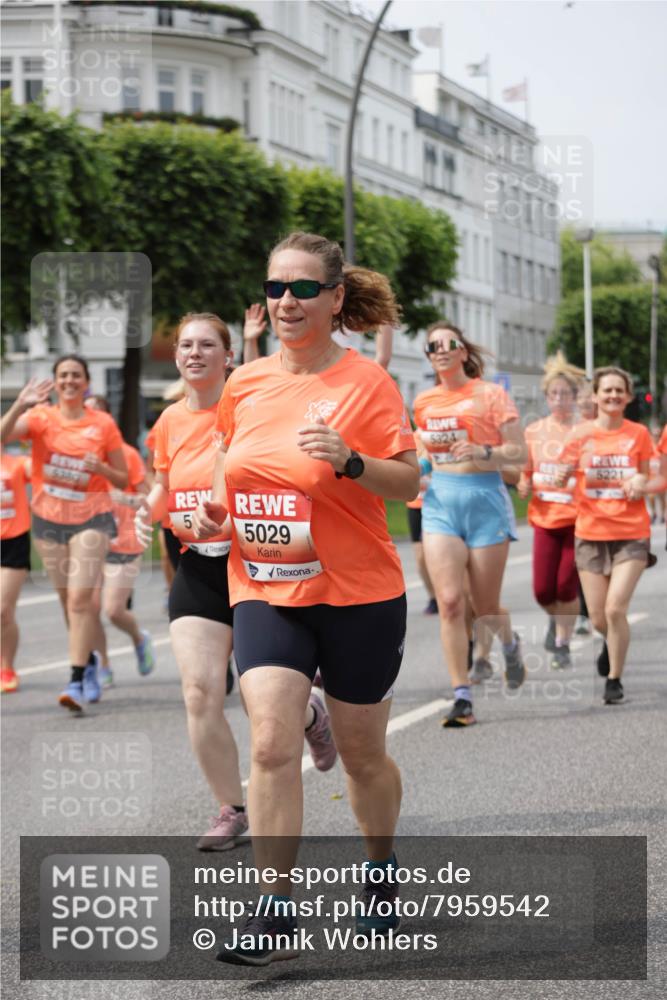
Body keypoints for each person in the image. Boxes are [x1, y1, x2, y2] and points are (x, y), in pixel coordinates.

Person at [192, 231, 418, 965]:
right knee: (269, 740)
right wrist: (216, 515)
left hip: (358, 594)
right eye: (273, 289)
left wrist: (350, 462)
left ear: (334, 298)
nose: (284, 302)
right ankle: (275, 909)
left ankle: (379, 869)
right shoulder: (247, 382)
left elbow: (408, 482)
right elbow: (230, 459)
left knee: (361, 757)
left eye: (300, 289)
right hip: (264, 587)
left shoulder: (365, 384)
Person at [135, 310, 338, 853]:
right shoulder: (169, 422)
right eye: (185, 345)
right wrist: (141, 510)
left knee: (260, 701)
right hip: (199, 568)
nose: (193, 353)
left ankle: (312, 716)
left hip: (256, 562)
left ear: (229, 356)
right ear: (176, 357)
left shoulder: (252, 406)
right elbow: (162, 485)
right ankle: (232, 809)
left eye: (207, 345)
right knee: (199, 691)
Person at [413, 322, 527, 728]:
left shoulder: (491, 394)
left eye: (449, 344)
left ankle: (509, 645)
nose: (441, 350)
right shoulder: (424, 401)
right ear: (428, 355)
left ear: (463, 351)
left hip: (485, 502)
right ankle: (462, 695)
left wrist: (483, 450)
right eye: (433, 346)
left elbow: (519, 453)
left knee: (485, 607)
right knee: (450, 602)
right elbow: (423, 447)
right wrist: (421, 466)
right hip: (441, 502)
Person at [0, 358, 127, 710]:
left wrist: (100, 467)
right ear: (55, 383)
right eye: (63, 375)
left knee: (79, 600)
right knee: (66, 602)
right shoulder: (40, 418)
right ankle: (87, 665)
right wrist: (19, 405)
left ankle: (74, 681)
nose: (69, 380)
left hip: (93, 519)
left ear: (86, 382)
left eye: (76, 375)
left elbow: (121, 477)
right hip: (49, 522)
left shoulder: (102, 423)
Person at [556, 367, 662, 704]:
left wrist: (640, 483)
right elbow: (561, 474)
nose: (613, 396)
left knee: (616, 609)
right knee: (599, 616)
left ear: (628, 397)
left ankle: (614, 679)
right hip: (590, 532)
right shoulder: (580, 435)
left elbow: (654, 478)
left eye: (620, 391)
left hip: (631, 533)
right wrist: (559, 475)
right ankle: (611, 642)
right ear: (596, 396)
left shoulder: (640, 434)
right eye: (607, 391)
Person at [518, 354, 586, 670]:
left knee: (565, 586)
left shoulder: (586, 431)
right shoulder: (534, 431)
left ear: (575, 397)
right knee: (543, 590)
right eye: (554, 394)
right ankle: (556, 621)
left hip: (578, 520)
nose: (559, 399)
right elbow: (527, 471)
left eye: (566, 394)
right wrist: (523, 483)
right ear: (546, 397)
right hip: (544, 518)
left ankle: (562, 644)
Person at [85, 395, 154, 686]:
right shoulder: (77, 457)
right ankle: (103, 665)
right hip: (88, 540)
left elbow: (149, 498)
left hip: (123, 540)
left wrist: (121, 497)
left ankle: (139, 638)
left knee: (113, 609)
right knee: (88, 606)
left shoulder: (126, 454)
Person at [0, 448, 31, 693]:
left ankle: (7, 667)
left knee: (3, 610)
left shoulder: (17, 463)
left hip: (12, 541)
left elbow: (41, 471)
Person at [406, 432, 437, 615]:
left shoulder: (437, 434)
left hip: (437, 502)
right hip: (416, 504)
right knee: (420, 558)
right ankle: (434, 597)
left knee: (439, 555)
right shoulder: (410, 437)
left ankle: (449, 593)